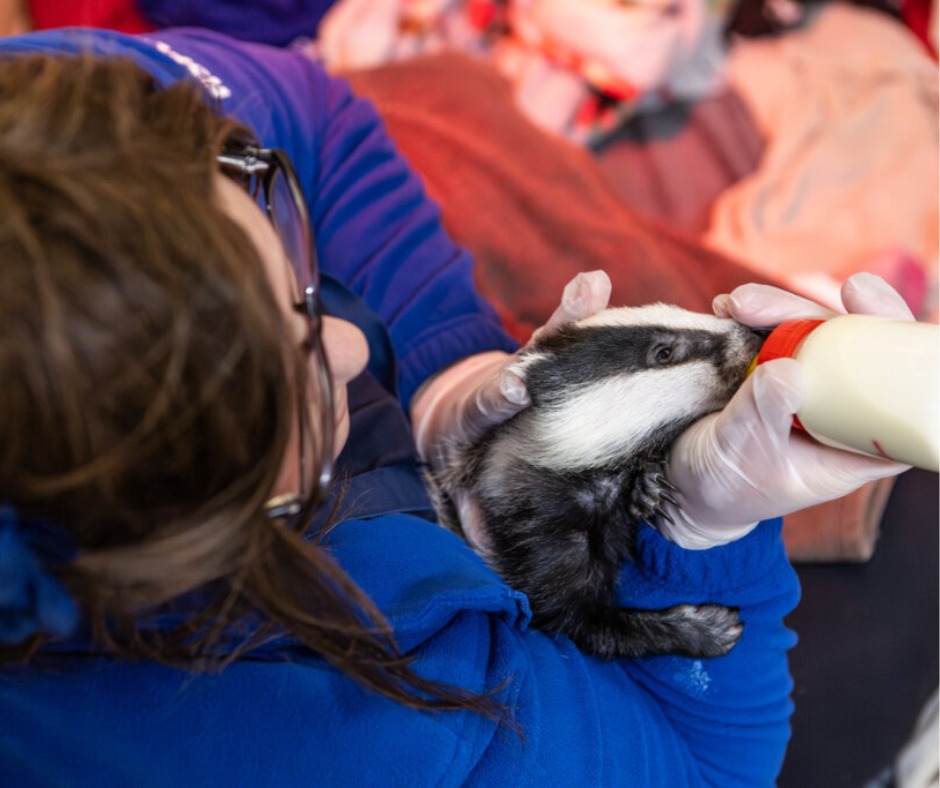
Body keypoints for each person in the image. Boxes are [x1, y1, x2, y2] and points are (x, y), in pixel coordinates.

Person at [0, 27, 910, 786]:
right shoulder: (383, 727)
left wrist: (443, 368)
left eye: (300, 285)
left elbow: (314, 109)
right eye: (299, 350)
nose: (355, 347)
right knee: (915, 535)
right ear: (201, 527)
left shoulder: (56, 140)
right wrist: (699, 535)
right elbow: (706, 769)